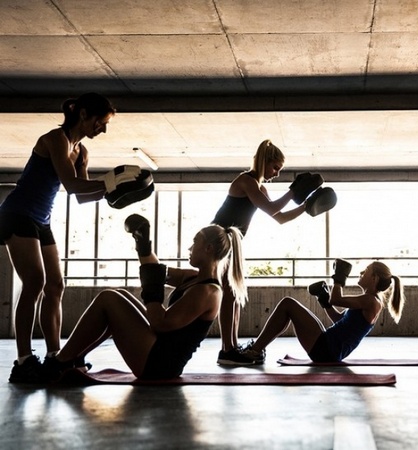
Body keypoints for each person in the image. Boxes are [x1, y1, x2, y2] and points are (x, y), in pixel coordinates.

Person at [0, 93, 148, 383]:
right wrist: (110, 183)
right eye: (100, 122)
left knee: (55, 285)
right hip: (17, 214)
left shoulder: (81, 152)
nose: (102, 129)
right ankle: (23, 361)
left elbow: (81, 196)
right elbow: (70, 183)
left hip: (41, 219)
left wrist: (117, 191)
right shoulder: (56, 139)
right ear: (83, 115)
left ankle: (56, 357)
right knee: (34, 283)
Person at [44, 217, 245, 381]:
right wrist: (143, 243)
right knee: (119, 294)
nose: (190, 248)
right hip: (158, 350)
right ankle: (74, 358)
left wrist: (152, 291)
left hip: (161, 364)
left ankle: (59, 362)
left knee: (108, 299)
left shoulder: (208, 291)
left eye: (195, 242)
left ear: (208, 249)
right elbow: (156, 272)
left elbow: (159, 323)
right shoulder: (193, 277)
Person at [212, 139, 326, 365]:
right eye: (275, 167)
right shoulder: (246, 181)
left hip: (234, 240)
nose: (277, 173)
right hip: (219, 238)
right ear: (264, 162)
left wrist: (306, 206)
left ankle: (232, 348)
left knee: (233, 293)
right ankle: (227, 351)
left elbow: (280, 218)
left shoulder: (259, 188)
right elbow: (274, 208)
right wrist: (294, 192)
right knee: (227, 292)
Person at [241, 259, 406, 364]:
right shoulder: (368, 300)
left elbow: (337, 299)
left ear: (374, 278)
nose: (361, 272)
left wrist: (339, 278)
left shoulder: (370, 301)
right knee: (288, 307)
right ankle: (257, 349)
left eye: (366, 271)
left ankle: (255, 351)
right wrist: (324, 299)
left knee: (288, 304)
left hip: (327, 351)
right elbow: (338, 318)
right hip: (329, 348)